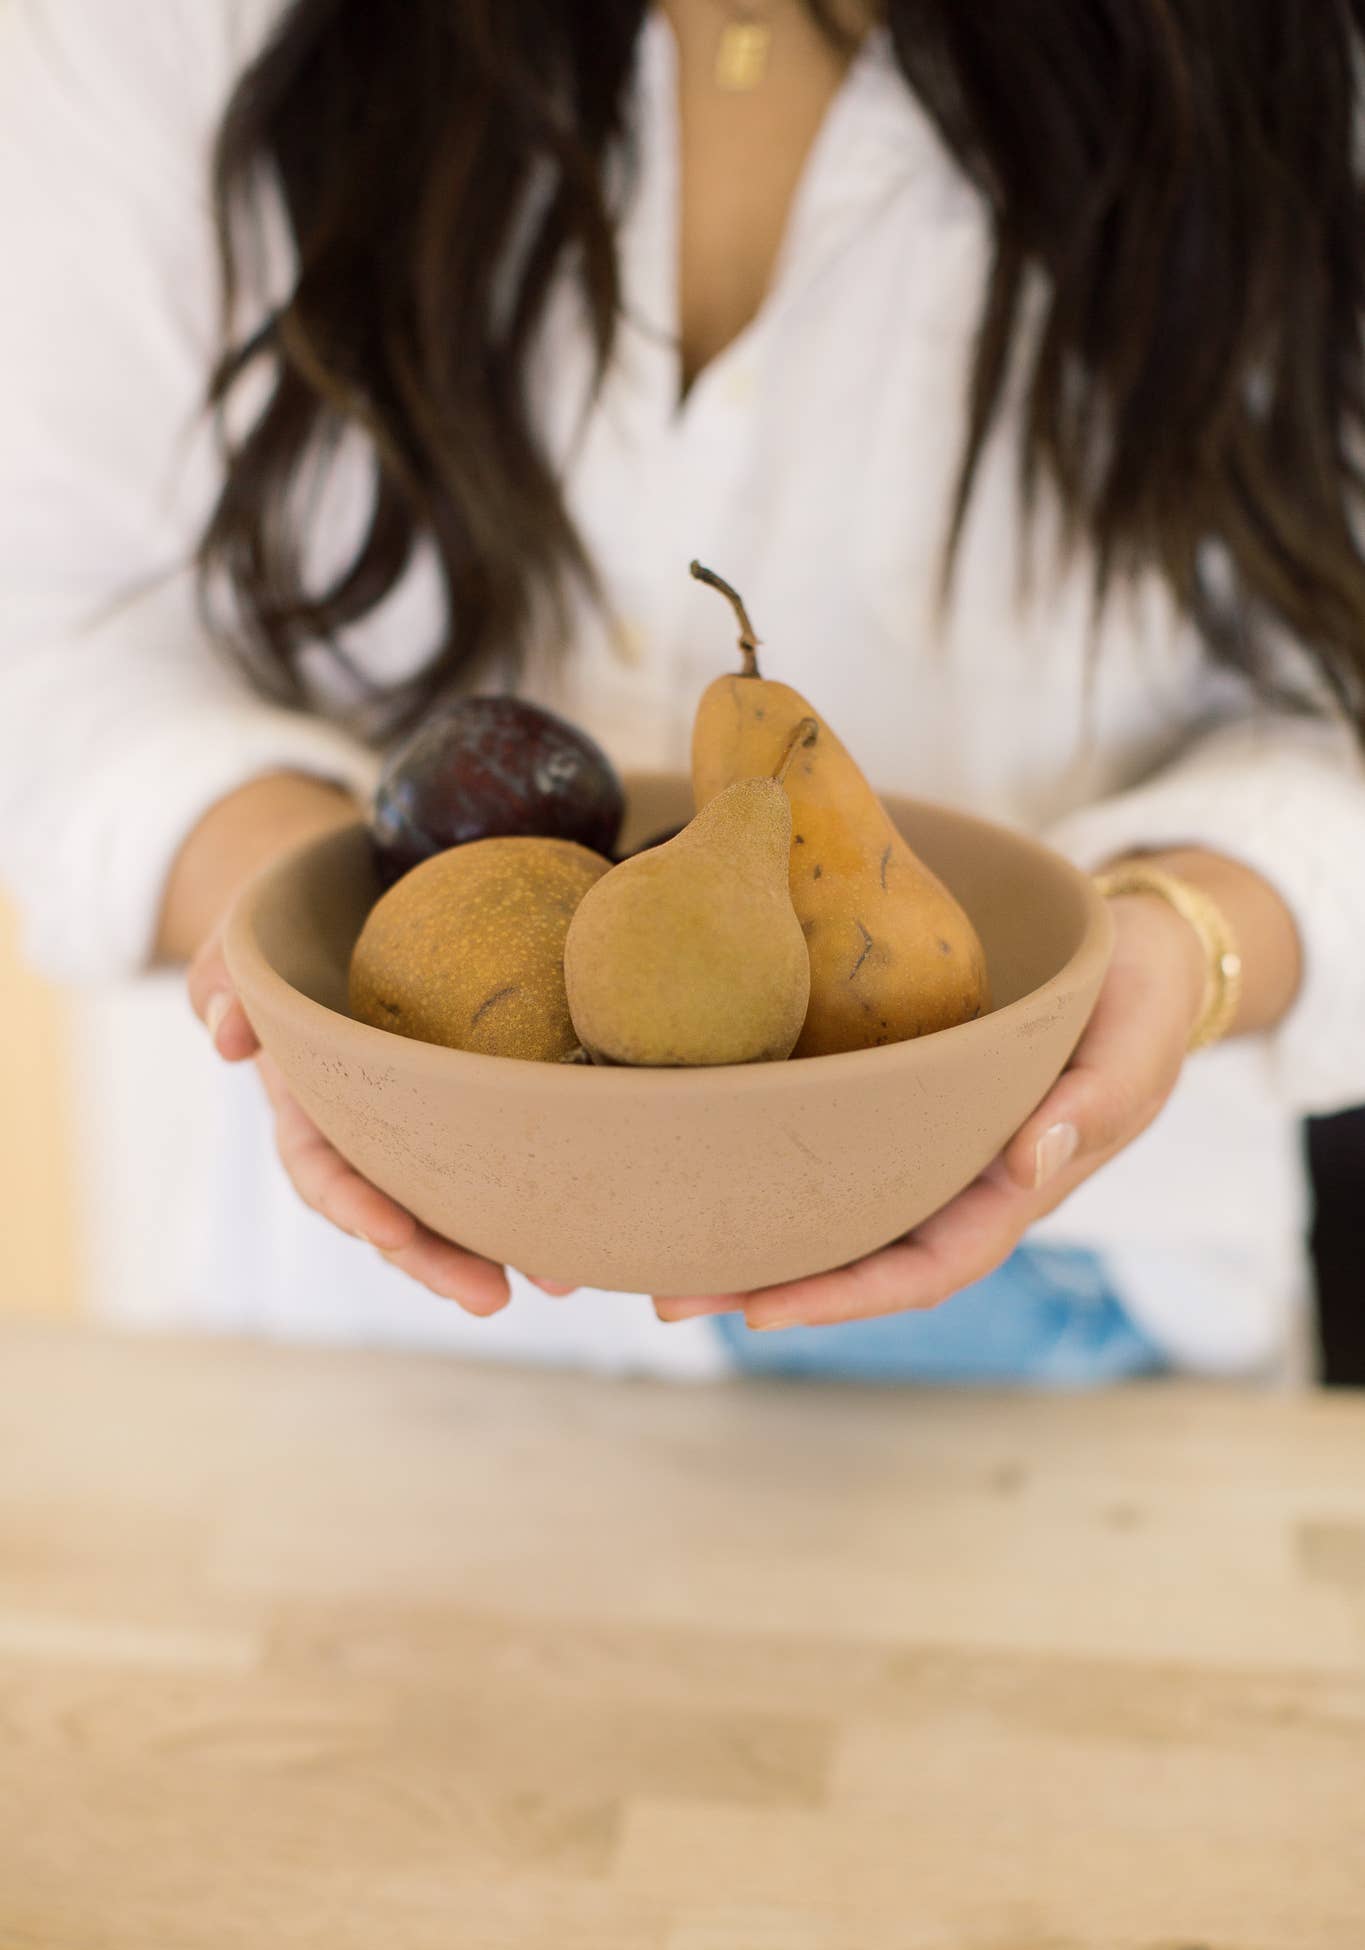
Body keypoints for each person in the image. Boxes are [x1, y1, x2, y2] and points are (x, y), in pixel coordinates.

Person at [1, 0, 1362, 1383]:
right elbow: (48, 627)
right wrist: (304, 929)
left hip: (1056, 1306)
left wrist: (1195, 935)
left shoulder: (1299, 60)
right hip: (385, 1310)